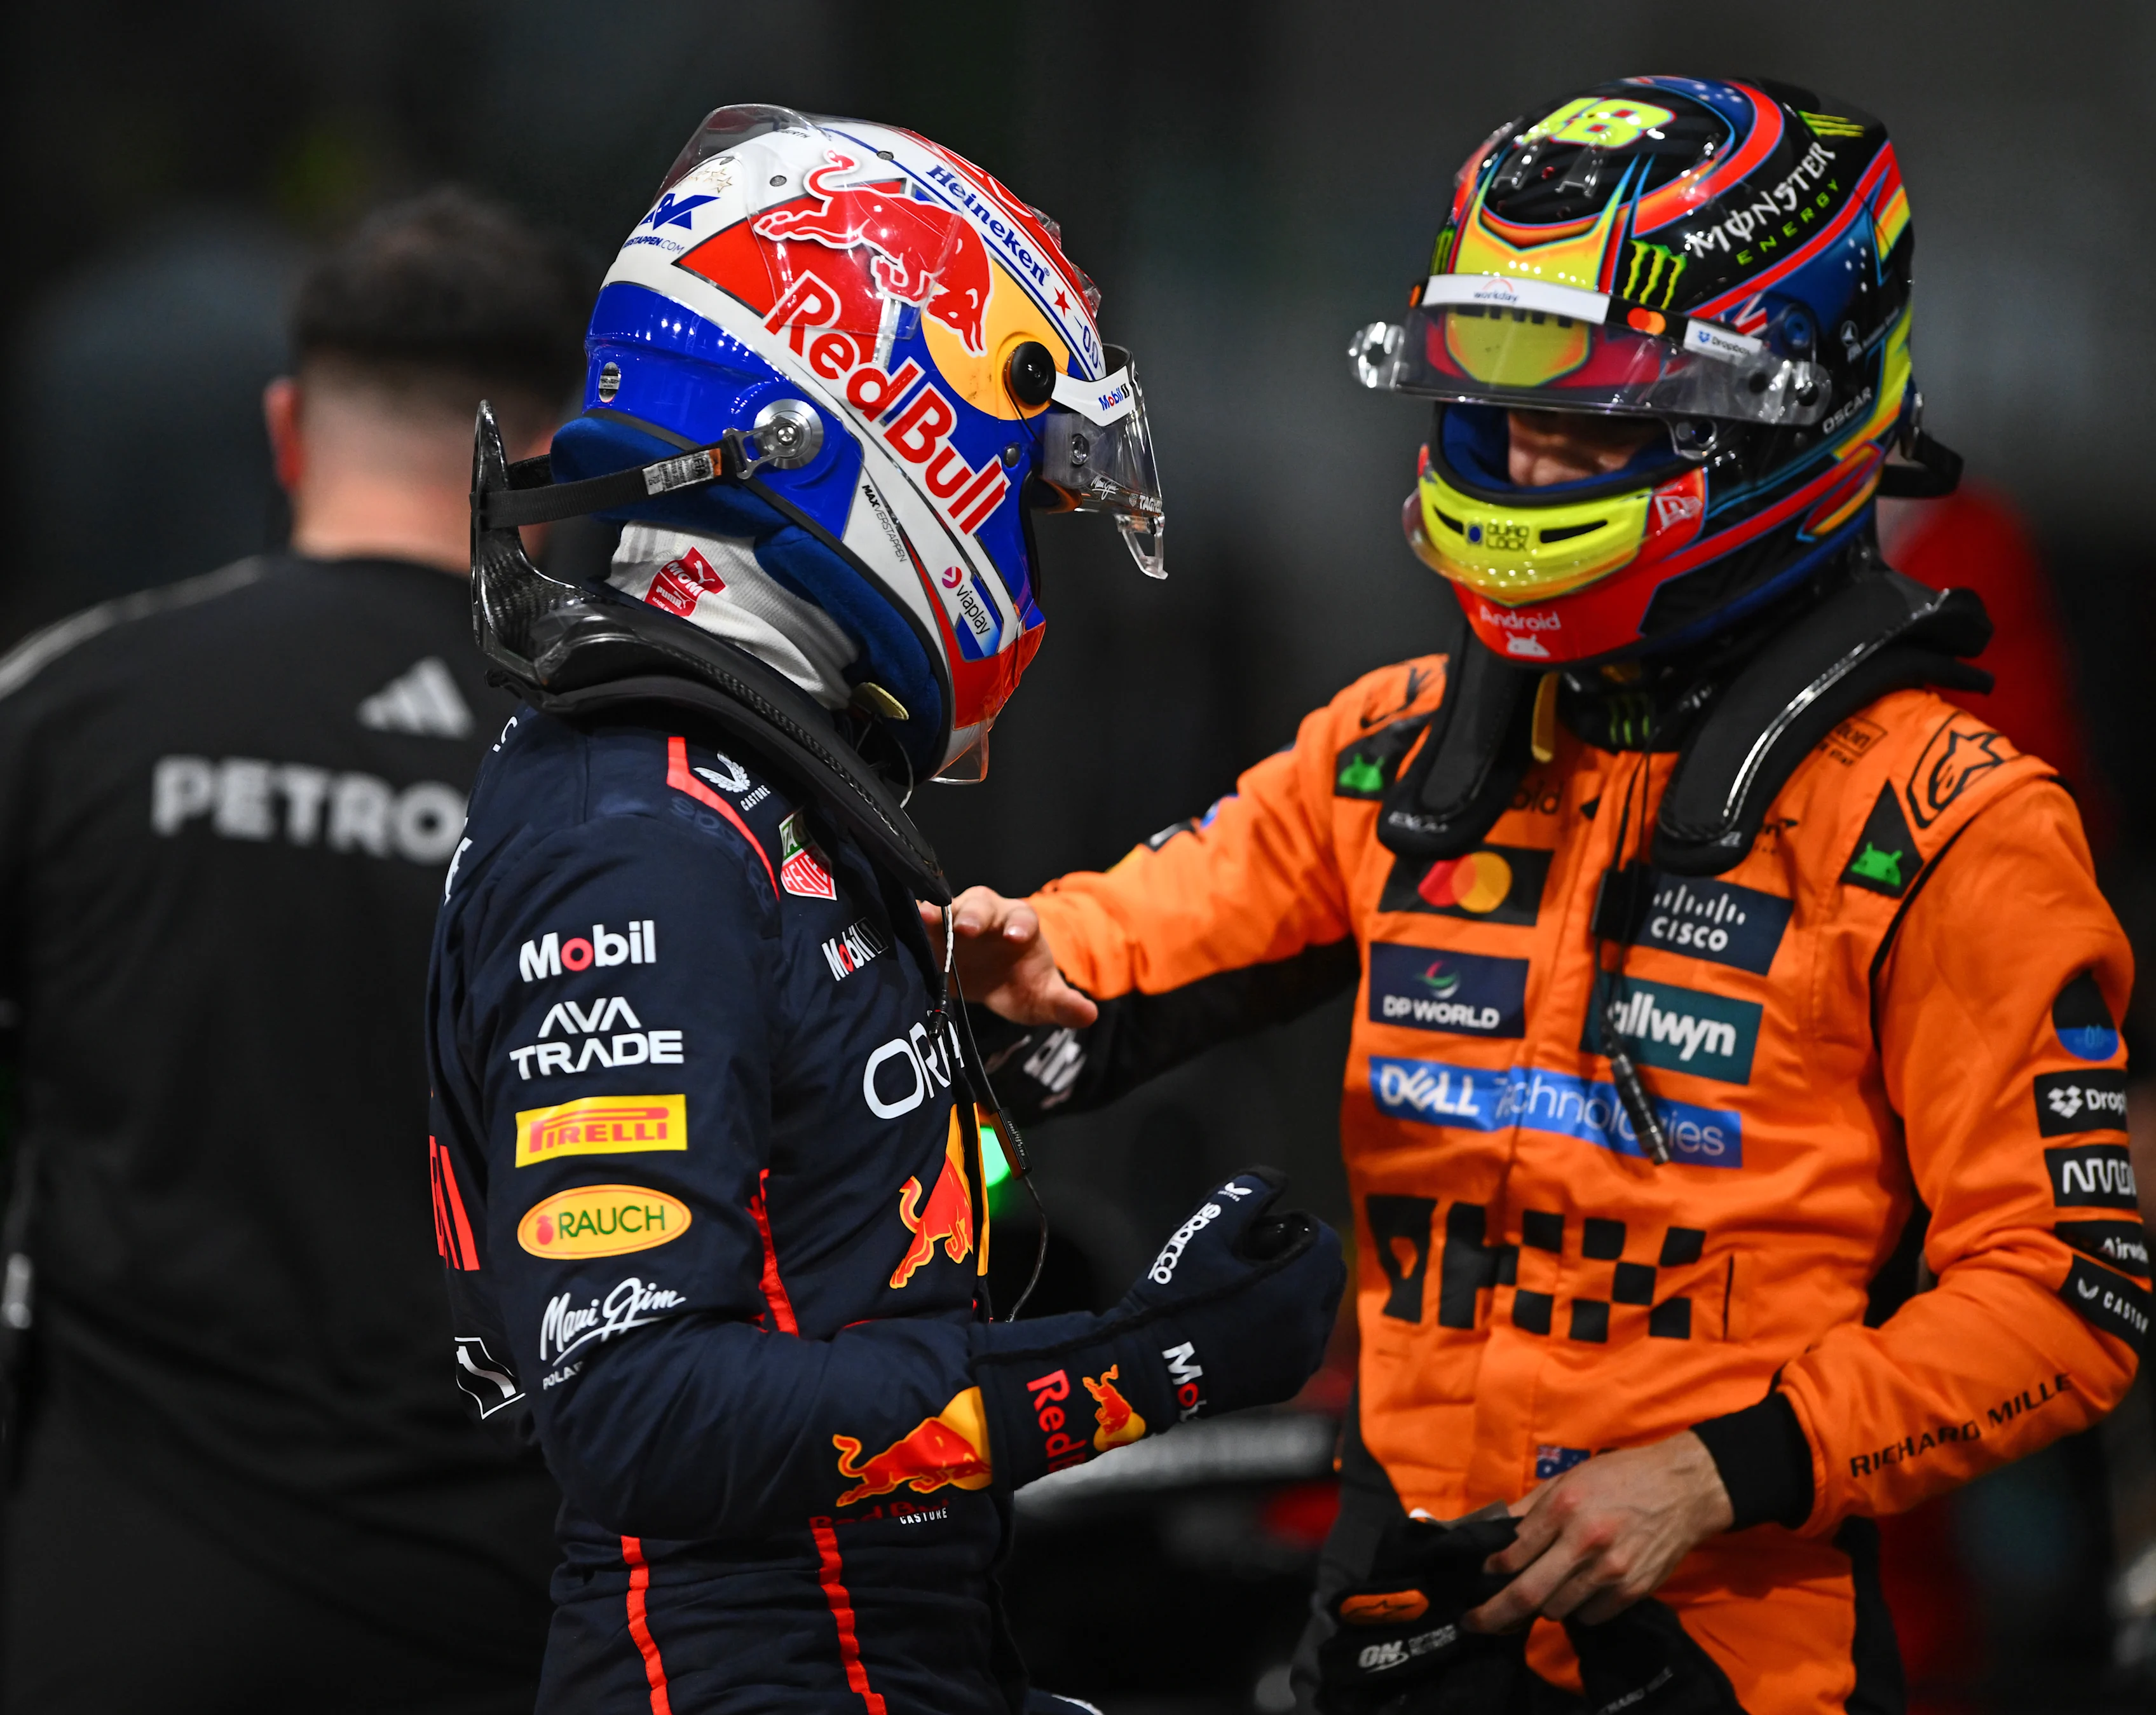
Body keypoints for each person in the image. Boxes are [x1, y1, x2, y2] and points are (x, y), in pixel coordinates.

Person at [934, 78, 2149, 1714]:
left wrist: (1720, 1469)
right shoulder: (1395, 751)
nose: (1524, 454)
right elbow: (1124, 941)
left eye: (1597, 410)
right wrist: (1002, 956)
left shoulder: (1950, 824)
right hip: (1394, 1619)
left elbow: (2069, 1290)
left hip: (1740, 1639)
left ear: (1782, 417)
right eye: (1497, 396)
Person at [429, 104, 1344, 1715]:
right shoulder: (634, 834)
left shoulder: (736, 788)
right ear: (874, 420)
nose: (1019, 540)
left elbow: (811, 1239)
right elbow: (635, 1405)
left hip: (876, 1646)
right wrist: (1145, 1364)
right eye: (1019, 482)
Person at [0, 188, 587, 1713]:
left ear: (285, 427)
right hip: (520, 1624)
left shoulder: (68, 709)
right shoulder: (646, 767)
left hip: (112, 1604)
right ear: (553, 465)